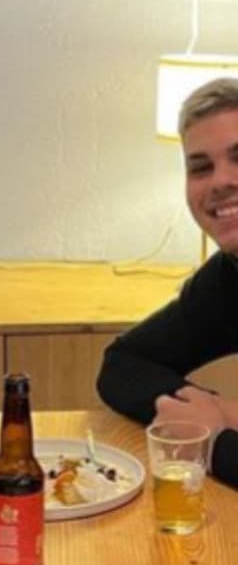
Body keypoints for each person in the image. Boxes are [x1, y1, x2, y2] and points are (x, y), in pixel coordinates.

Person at [97, 77, 238, 488]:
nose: (220, 181)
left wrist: (214, 440)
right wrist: (213, 411)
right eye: (201, 167)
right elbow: (122, 365)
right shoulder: (227, 277)